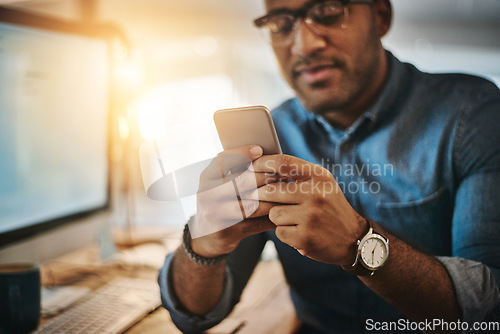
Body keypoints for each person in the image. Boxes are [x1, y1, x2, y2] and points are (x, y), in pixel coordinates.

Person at [158, 0, 500, 332]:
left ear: (380, 16)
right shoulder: (272, 136)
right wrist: (203, 241)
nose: (304, 45)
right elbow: (193, 317)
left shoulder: (474, 116)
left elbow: (490, 308)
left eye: (328, 12)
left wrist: (357, 243)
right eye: (280, 24)